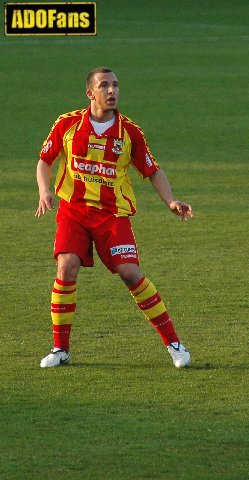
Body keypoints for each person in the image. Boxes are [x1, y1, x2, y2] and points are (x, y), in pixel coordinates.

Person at [36, 67, 192, 369]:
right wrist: (45, 191)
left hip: (112, 215)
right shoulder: (67, 124)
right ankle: (60, 349)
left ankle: (175, 344)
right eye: (104, 85)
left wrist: (170, 200)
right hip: (74, 211)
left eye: (116, 85)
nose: (112, 91)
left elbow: (152, 170)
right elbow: (44, 161)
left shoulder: (130, 132)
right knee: (66, 267)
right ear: (90, 93)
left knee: (130, 273)